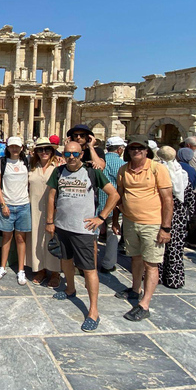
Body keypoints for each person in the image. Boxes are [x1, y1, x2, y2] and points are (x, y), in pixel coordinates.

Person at [46, 141, 119, 331]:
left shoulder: (92, 172)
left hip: (83, 229)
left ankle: (93, 310)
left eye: (75, 154)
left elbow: (114, 195)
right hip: (62, 226)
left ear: (81, 154)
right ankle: (70, 288)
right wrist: (49, 221)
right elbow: (52, 196)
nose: (71, 157)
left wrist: (101, 217)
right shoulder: (59, 171)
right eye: (68, 153)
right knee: (66, 260)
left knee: (89, 268)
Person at [113, 135, 173, 321]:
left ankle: (144, 304)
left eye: (140, 148)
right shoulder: (124, 169)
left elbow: (168, 199)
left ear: (147, 151)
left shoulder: (157, 169)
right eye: (133, 148)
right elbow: (119, 196)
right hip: (130, 221)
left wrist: (166, 228)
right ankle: (135, 289)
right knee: (135, 258)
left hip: (152, 223)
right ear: (127, 151)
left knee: (151, 264)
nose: (136, 151)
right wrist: (116, 220)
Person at [0, 137, 31, 285]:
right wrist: (3, 204)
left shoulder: (27, 162)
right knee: (6, 237)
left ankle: (21, 270)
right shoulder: (1, 163)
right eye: (11, 146)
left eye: (17, 146)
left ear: (21, 147)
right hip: (7, 204)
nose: (14, 149)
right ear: (7, 148)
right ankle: (2, 267)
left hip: (23, 205)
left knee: (21, 238)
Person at [156, 146, 195, 288]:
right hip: (178, 217)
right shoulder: (182, 173)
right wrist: (187, 216)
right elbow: (190, 199)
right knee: (175, 250)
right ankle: (174, 280)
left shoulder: (158, 171)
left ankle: (157, 276)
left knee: (157, 248)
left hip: (160, 214)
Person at [26, 137, 62, 286]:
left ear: (52, 150)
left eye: (47, 149)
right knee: (35, 238)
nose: (44, 152)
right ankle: (39, 268)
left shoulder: (59, 166)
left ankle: (55, 272)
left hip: (53, 209)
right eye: (40, 149)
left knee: (52, 239)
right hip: (34, 208)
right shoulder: (31, 166)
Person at [99, 136, 126, 273]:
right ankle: (108, 264)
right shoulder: (122, 165)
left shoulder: (100, 160)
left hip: (98, 204)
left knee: (92, 234)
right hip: (113, 205)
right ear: (120, 149)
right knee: (113, 234)